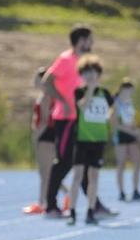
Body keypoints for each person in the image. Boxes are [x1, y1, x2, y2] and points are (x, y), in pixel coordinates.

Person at [43, 25, 115, 219]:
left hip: (84, 121)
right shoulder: (65, 59)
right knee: (64, 162)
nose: (92, 43)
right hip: (66, 119)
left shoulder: (85, 62)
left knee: (84, 165)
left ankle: (94, 206)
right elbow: (46, 82)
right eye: (89, 39)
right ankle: (51, 206)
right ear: (81, 40)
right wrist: (63, 101)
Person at [67, 55, 116, 225]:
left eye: (93, 72)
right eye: (86, 72)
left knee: (94, 177)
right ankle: (72, 211)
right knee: (77, 176)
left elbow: (113, 109)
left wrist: (109, 119)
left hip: (99, 140)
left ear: (98, 73)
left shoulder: (105, 93)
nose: (89, 75)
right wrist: (90, 89)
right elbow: (82, 106)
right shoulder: (79, 92)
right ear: (81, 75)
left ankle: (90, 210)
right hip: (82, 140)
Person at [24, 67, 57, 214]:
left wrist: (37, 136)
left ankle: (43, 202)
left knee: (45, 172)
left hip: (45, 135)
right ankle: (62, 196)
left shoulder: (46, 96)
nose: (34, 81)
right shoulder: (45, 95)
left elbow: (44, 120)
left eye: (37, 78)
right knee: (46, 171)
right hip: (46, 135)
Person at [113, 79, 140, 202]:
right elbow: (115, 124)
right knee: (121, 163)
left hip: (131, 134)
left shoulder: (130, 102)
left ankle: (136, 190)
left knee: (137, 162)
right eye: (128, 90)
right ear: (122, 89)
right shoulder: (116, 103)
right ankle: (121, 192)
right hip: (121, 134)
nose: (130, 93)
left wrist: (137, 133)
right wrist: (132, 132)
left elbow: (131, 120)